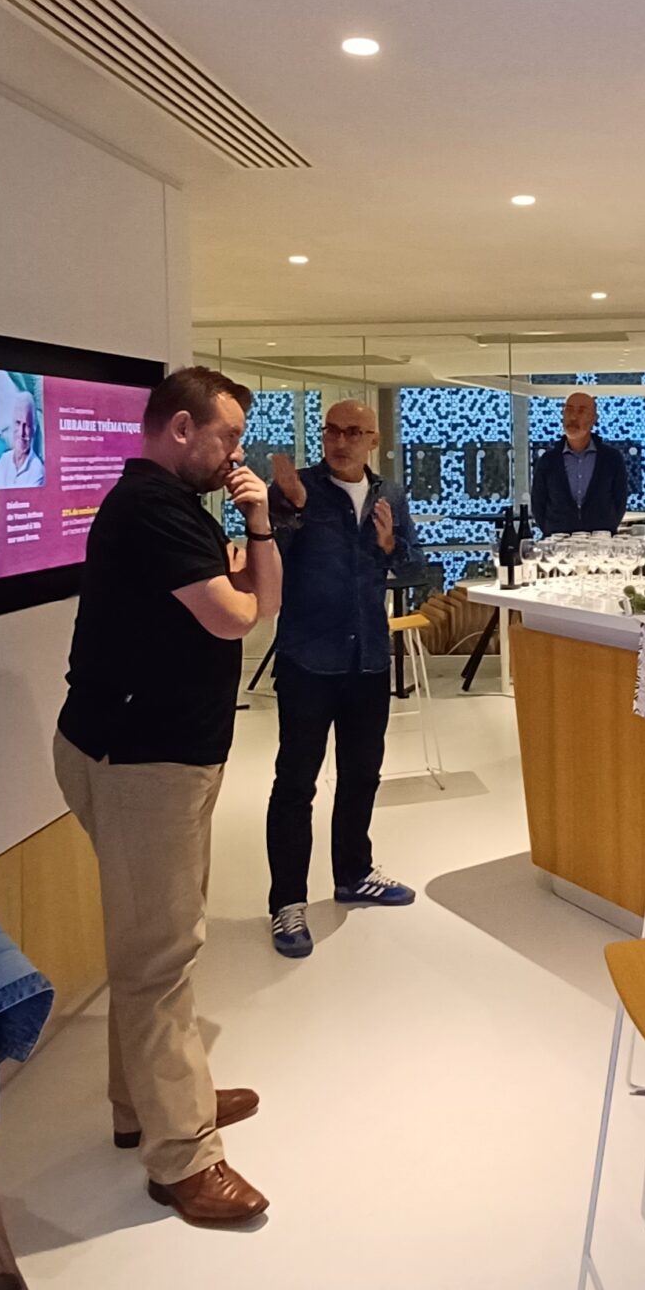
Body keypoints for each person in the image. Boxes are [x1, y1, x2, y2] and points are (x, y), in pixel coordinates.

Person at [53, 366, 280, 1228]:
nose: (236, 456)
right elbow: (234, 617)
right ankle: (182, 1154)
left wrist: (259, 526)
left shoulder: (180, 506)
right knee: (160, 956)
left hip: (164, 757)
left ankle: (144, 1102)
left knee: (154, 944)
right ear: (181, 428)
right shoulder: (151, 505)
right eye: (227, 437)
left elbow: (262, 601)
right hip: (139, 760)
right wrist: (242, 573)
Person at [262, 401, 425, 958]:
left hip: (368, 660)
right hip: (309, 659)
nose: (340, 440)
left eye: (353, 432)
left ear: (373, 440)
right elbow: (270, 554)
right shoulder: (296, 489)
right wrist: (293, 510)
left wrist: (390, 546)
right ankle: (287, 902)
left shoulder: (389, 495)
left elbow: (416, 569)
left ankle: (353, 873)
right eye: (332, 430)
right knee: (295, 784)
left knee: (362, 775)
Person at [529, 389, 629, 535]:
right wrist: (552, 531)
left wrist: (606, 528)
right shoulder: (548, 461)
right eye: (569, 410)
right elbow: (538, 504)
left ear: (594, 418)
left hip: (600, 542)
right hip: (559, 543)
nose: (573, 417)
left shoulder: (611, 459)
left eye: (581, 411)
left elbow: (620, 501)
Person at [0, 382, 45, 488]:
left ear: (34, 429)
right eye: (18, 423)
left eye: (27, 425)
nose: (22, 432)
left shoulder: (38, 470)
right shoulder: (4, 460)